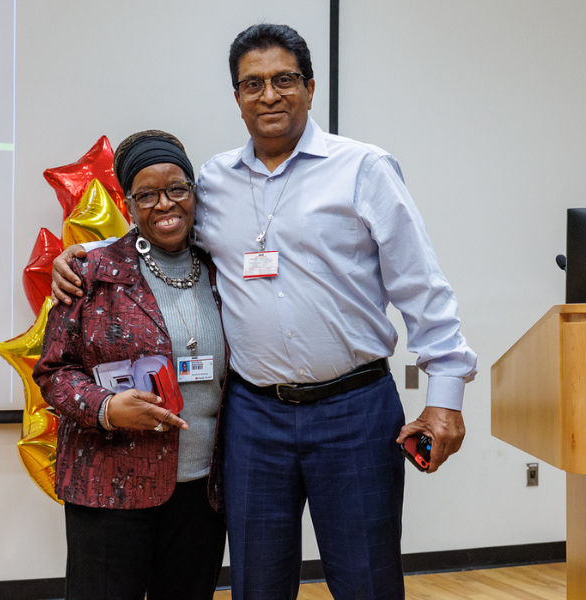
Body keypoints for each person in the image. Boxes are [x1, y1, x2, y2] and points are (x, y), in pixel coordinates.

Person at [51, 24, 477, 600]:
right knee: (257, 584)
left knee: (367, 580)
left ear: (309, 86)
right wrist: (80, 257)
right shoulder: (215, 181)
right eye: (252, 84)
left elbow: (424, 289)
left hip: (353, 410)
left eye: (283, 80)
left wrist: (445, 399)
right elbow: (157, 228)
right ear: (236, 97)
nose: (269, 95)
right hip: (254, 419)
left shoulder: (363, 169)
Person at [33, 130, 228, 600]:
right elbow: (54, 371)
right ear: (127, 203)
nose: (165, 204)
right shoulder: (89, 271)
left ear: (194, 192)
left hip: (202, 490)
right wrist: (105, 408)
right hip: (109, 485)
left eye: (177, 188)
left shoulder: (225, 268)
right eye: (147, 194)